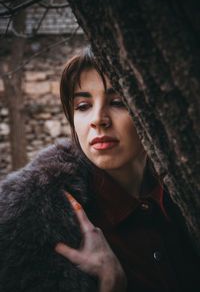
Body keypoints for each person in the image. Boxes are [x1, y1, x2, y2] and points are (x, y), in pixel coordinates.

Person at [0, 47, 199, 292]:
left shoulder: (186, 196)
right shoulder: (30, 217)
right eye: (83, 105)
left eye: (117, 102)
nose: (98, 118)